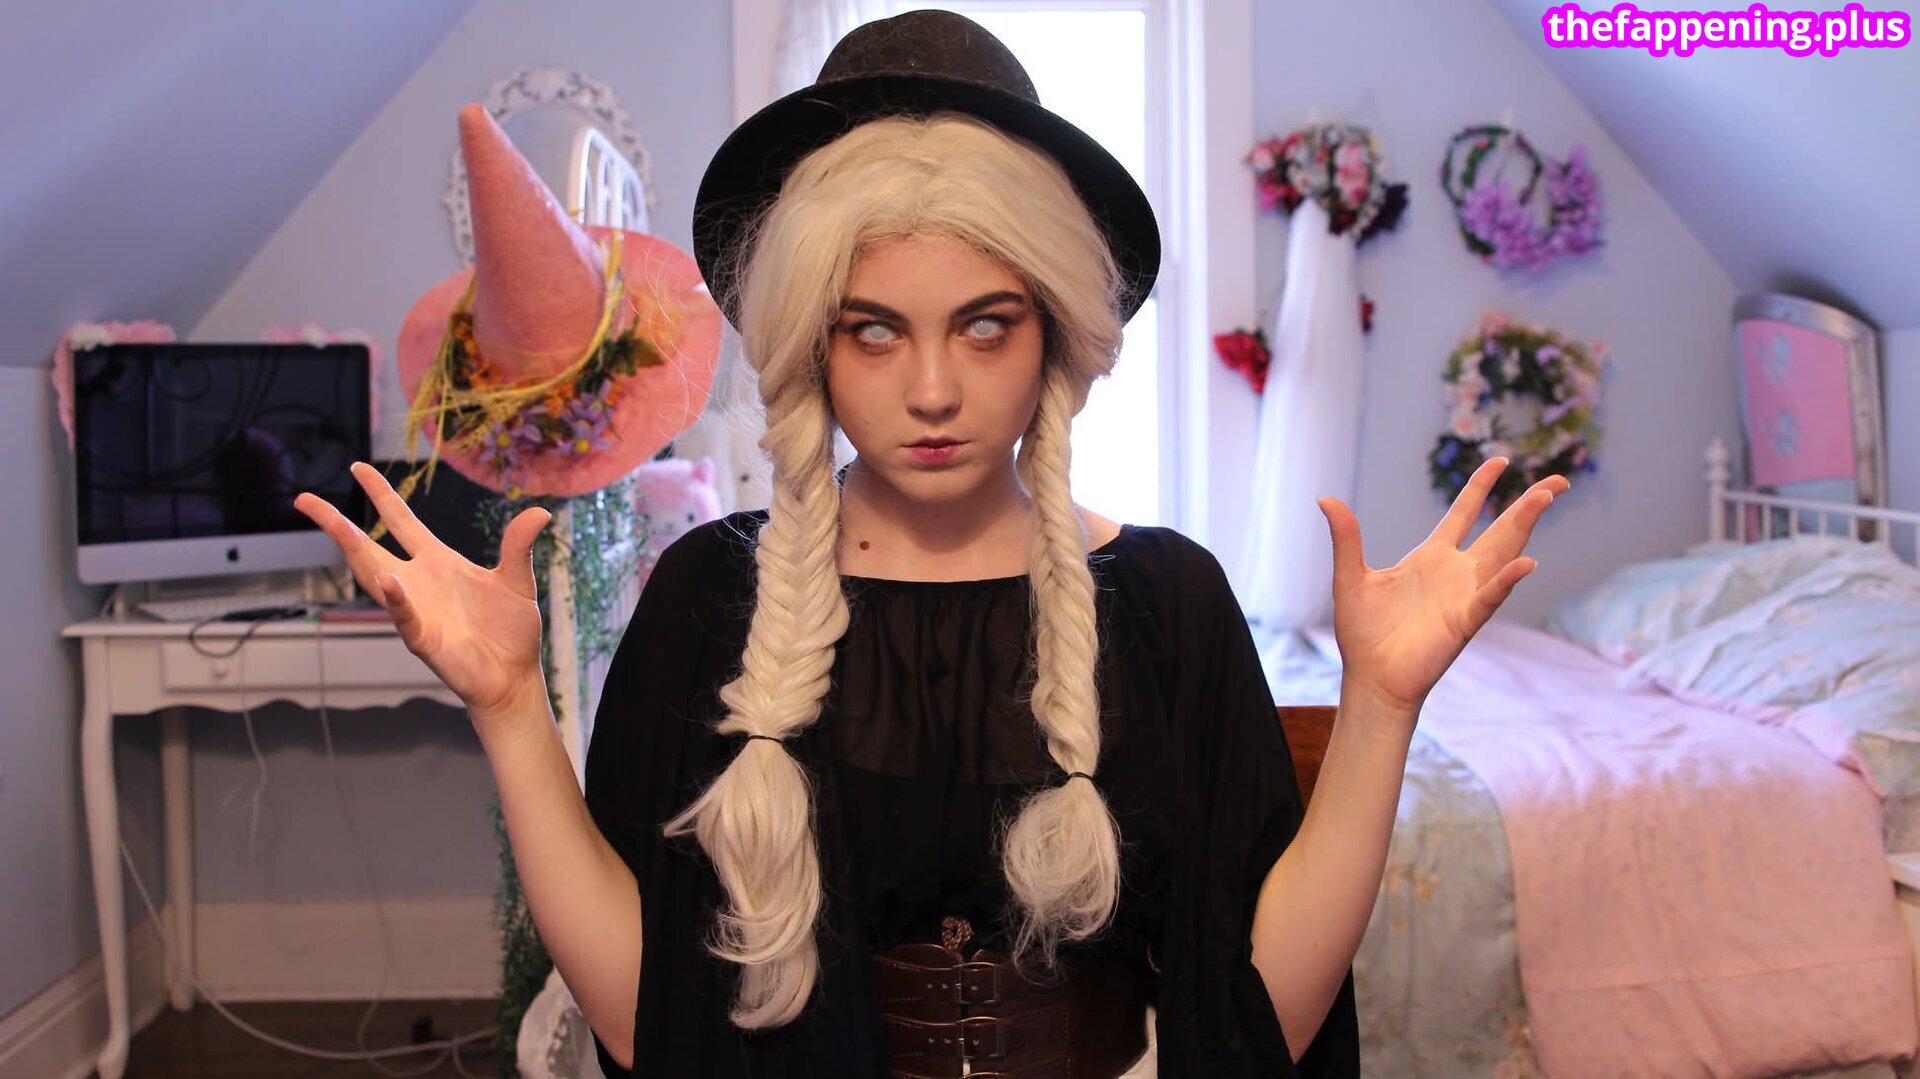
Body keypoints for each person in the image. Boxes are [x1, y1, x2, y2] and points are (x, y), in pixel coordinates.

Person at [294, 10, 1567, 1076]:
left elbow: (1260, 1019)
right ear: (813, 346)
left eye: (986, 324)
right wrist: (509, 704)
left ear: (1054, 333)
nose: (935, 390)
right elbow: (646, 1022)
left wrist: (1382, 705)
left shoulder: (1169, 600)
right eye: (875, 330)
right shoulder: (708, 599)